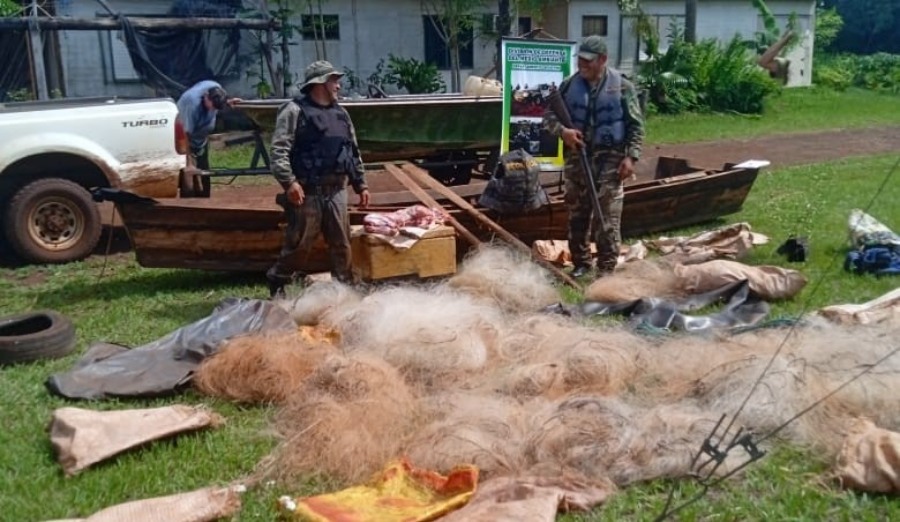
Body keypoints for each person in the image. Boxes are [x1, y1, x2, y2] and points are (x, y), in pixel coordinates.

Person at [266, 60, 370, 298]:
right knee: (300, 246)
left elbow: (352, 150)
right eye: (334, 80)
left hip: (336, 190)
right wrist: (289, 182)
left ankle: (344, 290)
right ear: (320, 83)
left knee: (342, 245)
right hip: (307, 191)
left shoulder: (341, 113)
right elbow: (279, 150)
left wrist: (360, 183)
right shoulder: (293, 111)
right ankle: (278, 281)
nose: (339, 86)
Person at [543, 35, 644, 278]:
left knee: (607, 215)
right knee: (578, 213)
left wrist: (631, 157)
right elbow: (548, 117)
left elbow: (636, 126)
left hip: (611, 160)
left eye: (588, 61)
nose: (582, 64)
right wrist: (563, 132)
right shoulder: (568, 86)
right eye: (580, 59)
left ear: (603, 60)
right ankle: (581, 263)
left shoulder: (622, 86)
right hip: (578, 159)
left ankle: (607, 267)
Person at [175, 80, 240, 192]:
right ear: (206, 97)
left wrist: (228, 102)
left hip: (201, 140)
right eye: (212, 106)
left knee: (204, 179)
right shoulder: (191, 103)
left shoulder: (216, 88)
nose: (213, 110)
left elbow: (219, 100)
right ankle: (188, 203)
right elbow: (185, 133)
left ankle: (204, 198)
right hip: (186, 140)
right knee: (190, 178)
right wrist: (189, 162)